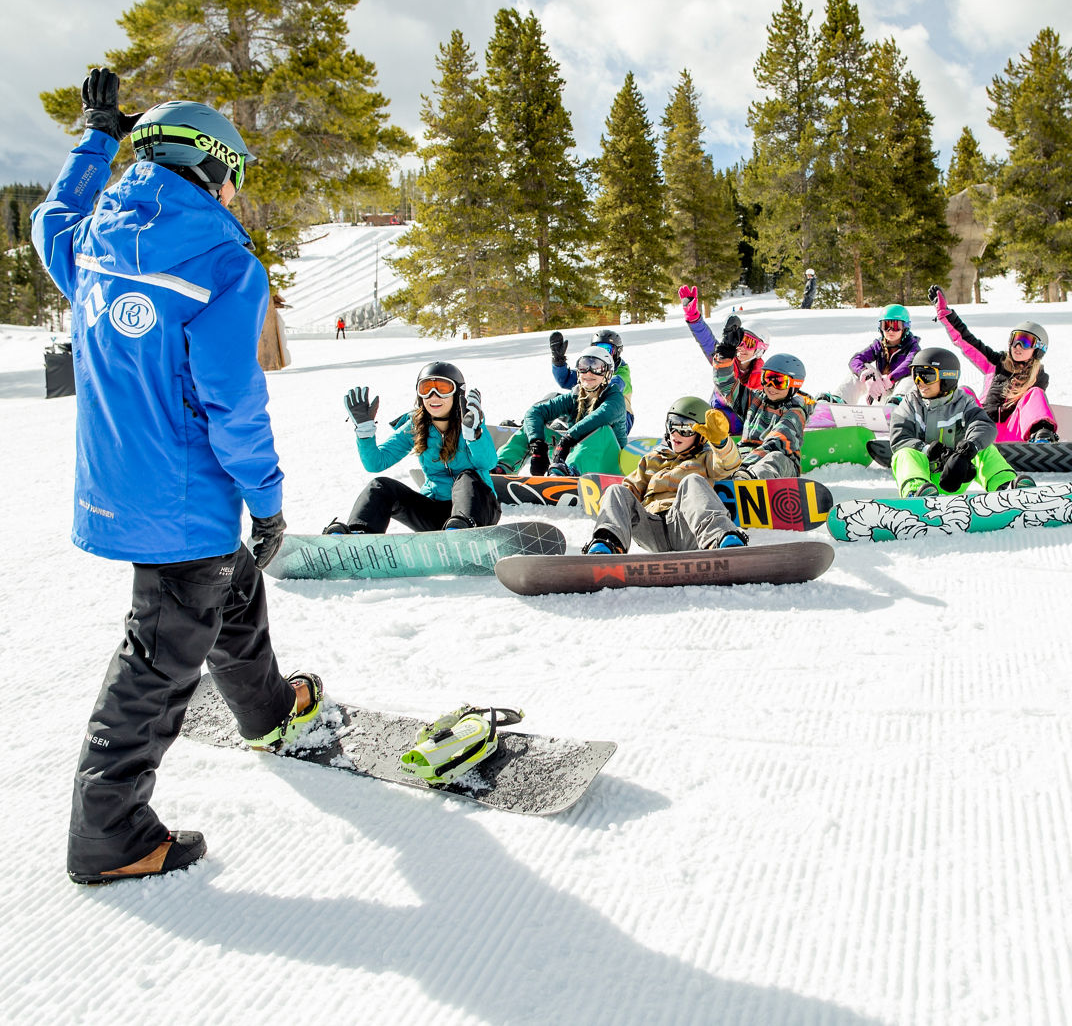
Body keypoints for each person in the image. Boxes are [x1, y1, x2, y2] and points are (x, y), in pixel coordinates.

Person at [32, 69, 320, 885]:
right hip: (183, 497)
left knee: (230, 588)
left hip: (115, 482)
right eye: (234, 174)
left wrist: (95, 138)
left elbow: (49, 217)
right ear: (209, 166)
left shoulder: (93, 241)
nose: (235, 192)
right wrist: (266, 502)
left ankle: (266, 709)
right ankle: (109, 831)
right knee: (160, 657)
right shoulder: (224, 262)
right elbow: (233, 403)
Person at [325, 361, 500, 533]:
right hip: (437, 513)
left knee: (467, 476)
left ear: (457, 393)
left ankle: (461, 530)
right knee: (380, 486)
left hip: (479, 510)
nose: (433, 396)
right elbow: (375, 463)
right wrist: (364, 433)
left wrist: (473, 434)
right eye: (426, 389)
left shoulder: (471, 422)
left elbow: (488, 463)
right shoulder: (416, 426)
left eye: (443, 389)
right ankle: (359, 535)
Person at [583, 397, 747, 554]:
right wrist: (609, 502)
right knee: (616, 490)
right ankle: (607, 543)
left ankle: (722, 538)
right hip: (651, 528)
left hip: (686, 526)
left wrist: (721, 443)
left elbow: (729, 464)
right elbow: (629, 490)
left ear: (701, 435)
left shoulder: (706, 459)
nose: (676, 434)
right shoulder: (652, 460)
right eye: (672, 426)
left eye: (685, 429)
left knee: (692, 480)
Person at [889, 347, 1031, 497]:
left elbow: (984, 425)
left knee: (985, 449)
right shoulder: (911, 403)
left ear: (947, 378)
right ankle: (915, 492)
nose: (919, 382)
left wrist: (966, 452)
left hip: (959, 472)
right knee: (904, 454)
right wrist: (928, 450)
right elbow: (900, 437)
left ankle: (1006, 486)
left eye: (927, 376)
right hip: (927, 477)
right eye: (916, 375)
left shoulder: (963, 402)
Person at [928, 285, 1059, 442]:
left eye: (1025, 342)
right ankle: (942, 435)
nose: (1018, 346)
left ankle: (1042, 436)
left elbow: (1032, 406)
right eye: (1015, 340)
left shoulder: (1039, 376)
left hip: (1013, 433)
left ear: (1038, 350)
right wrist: (945, 314)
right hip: (981, 429)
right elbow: (967, 340)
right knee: (963, 392)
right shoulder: (997, 362)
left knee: (1035, 393)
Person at [494, 348, 628, 476]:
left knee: (602, 430)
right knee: (530, 429)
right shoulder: (574, 397)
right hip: (572, 453)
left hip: (608, 463)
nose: (588, 372)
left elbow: (600, 416)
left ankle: (570, 472)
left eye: (597, 367)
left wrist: (567, 440)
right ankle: (502, 468)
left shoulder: (615, 399)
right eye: (583, 366)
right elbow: (535, 412)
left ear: (607, 373)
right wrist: (537, 445)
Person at [678, 284, 768, 434]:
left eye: (750, 343)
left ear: (760, 349)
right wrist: (693, 316)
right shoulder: (725, 359)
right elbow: (706, 340)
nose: (742, 347)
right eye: (740, 340)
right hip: (715, 425)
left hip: (745, 431)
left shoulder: (765, 377)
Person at [713, 349, 814, 480]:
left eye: (779, 382)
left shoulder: (795, 411)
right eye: (767, 378)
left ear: (795, 384)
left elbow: (775, 443)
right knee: (711, 456)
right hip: (742, 463)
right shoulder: (755, 399)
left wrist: (741, 467)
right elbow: (726, 385)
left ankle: (746, 483)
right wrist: (723, 357)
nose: (771, 387)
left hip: (780, 466)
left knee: (774, 458)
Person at [822, 304, 921, 404]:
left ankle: (897, 404)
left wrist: (891, 378)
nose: (890, 331)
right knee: (861, 370)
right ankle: (838, 401)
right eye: (886, 326)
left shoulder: (913, 347)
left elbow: (909, 363)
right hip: (879, 392)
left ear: (905, 328)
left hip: (899, 392)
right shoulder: (878, 345)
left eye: (895, 326)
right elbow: (856, 359)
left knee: (911, 376)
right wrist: (867, 376)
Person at [548, 328, 634, 431]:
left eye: (607, 349)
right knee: (556, 397)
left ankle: (590, 434)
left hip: (621, 416)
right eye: (597, 348)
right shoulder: (591, 368)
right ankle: (552, 425)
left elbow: (617, 384)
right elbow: (565, 380)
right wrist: (558, 361)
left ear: (617, 352)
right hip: (590, 412)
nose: (601, 353)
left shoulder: (621, 371)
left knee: (601, 404)